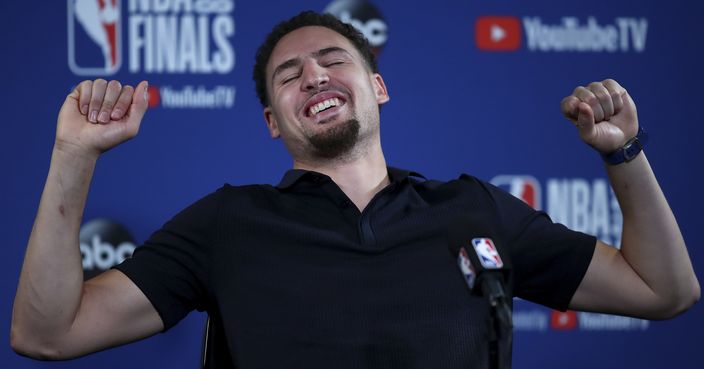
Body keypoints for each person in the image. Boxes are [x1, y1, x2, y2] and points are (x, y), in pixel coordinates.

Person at [11, 11, 699, 368]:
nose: (312, 76)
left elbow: (661, 290)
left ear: (378, 87)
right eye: (289, 76)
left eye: (333, 60)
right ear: (272, 123)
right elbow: (47, 334)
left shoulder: (473, 209)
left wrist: (627, 155)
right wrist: (73, 155)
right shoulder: (226, 224)